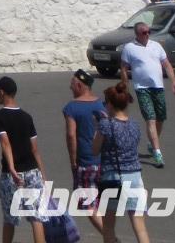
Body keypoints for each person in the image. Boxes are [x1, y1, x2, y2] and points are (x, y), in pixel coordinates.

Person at [92, 84, 151, 243]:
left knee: (108, 226)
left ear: (110, 104)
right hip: (135, 177)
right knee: (140, 227)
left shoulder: (105, 125)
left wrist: (98, 126)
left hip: (113, 178)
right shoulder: (135, 125)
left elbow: (95, 150)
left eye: (105, 102)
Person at [0, 75, 46, 243]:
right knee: (36, 217)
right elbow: (34, 149)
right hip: (32, 172)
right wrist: (43, 176)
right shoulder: (26, 117)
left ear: (2, 92)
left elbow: (5, 143)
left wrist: (12, 168)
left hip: (12, 175)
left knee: (10, 218)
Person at [118, 22, 175, 167]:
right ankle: (157, 153)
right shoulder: (129, 48)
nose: (147, 34)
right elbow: (124, 68)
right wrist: (125, 87)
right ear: (137, 34)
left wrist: (173, 82)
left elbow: (166, 64)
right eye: (144, 32)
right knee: (150, 118)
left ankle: (152, 144)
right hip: (141, 88)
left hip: (158, 87)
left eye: (148, 31)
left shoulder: (156, 46)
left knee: (160, 118)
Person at [63, 68, 104, 234]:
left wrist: (73, 160)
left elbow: (71, 135)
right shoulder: (101, 104)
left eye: (72, 84)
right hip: (104, 162)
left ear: (79, 85)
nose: (70, 87)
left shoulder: (71, 108)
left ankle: (111, 237)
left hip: (86, 162)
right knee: (104, 204)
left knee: (89, 205)